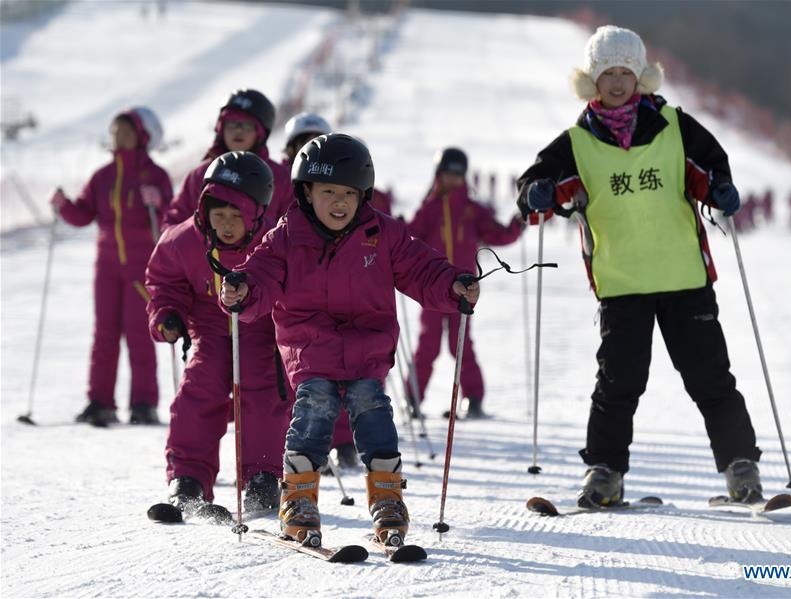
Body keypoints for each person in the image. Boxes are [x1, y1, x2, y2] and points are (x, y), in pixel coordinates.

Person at [516, 25, 763, 507]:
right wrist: (536, 195)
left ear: (640, 76)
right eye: (606, 73)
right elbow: (533, 190)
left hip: (684, 278)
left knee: (710, 377)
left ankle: (741, 467)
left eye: (624, 72)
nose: (615, 82)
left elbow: (712, 169)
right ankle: (604, 473)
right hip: (621, 282)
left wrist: (720, 191)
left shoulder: (674, 125)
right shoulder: (577, 141)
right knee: (618, 383)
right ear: (591, 80)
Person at [220, 133, 479, 547]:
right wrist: (243, 291)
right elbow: (260, 276)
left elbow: (421, 268)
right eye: (327, 193)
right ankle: (299, 499)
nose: (338, 203)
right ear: (306, 192)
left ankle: (388, 498)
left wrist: (454, 286)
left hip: (366, 346)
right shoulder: (286, 237)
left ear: (364, 195)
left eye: (348, 194)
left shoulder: (383, 234)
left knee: (370, 405)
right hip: (310, 345)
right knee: (316, 403)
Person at [145, 151, 291, 513]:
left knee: (262, 398)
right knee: (198, 392)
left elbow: (295, 282)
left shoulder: (275, 241)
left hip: (259, 329)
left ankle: (262, 476)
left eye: (236, 217)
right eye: (218, 214)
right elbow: (166, 281)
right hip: (208, 330)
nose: (225, 225)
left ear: (256, 213)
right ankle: (188, 478)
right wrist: (169, 314)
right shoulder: (184, 240)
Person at [50, 106, 172, 426]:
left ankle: (144, 403)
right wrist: (64, 206)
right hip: (106, 267)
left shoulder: (155, 176)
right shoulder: (103, 176)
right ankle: (99, 400)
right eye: (116, 131)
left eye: (127, 132)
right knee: (104, 334)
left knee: (138, 334)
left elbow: (171, 220)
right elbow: (83, 214)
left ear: (143, 136)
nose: (119, 137)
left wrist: (157, 202)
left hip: (141, 267)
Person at [406, 147, 523, 418]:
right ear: (439, 175)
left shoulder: (472, 210)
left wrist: (517, 225)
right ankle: (412, 399)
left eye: (458, 175)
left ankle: (474, 398)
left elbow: (497, 234)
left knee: (461, 345)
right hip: (433, 288)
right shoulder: (430, 208)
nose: (453, 180)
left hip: (465, 289)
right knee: (428, 344)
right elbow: (409, 239)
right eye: (448, 174)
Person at [281, 111, 359, 471]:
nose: (304, 149)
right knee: (300, 381)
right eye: (299, 144)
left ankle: (343, 441)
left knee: (340, 370)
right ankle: (304, 449)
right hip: (288, 294)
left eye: (311, 143)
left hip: (336, 289)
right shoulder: (280, 182)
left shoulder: (340, 183)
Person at [162, 89, 294, 229]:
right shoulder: (200, 176)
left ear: (260, 133)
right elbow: (173, 229)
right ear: (220, 128)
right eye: (231, 123)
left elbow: (293, 231)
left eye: (247, 125)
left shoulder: (281, 178)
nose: (238, 130)